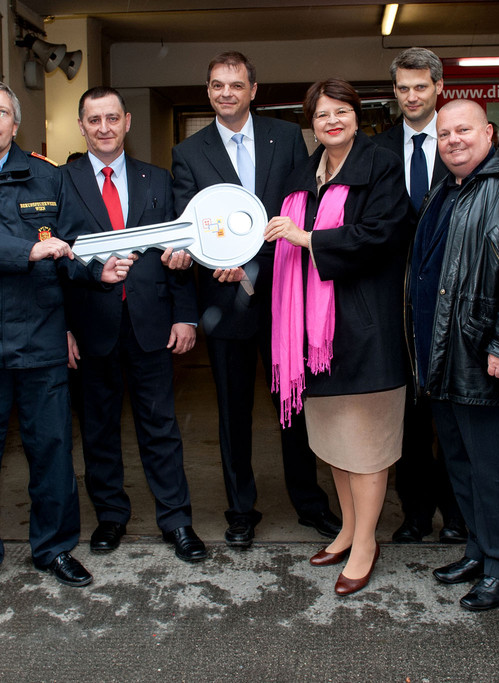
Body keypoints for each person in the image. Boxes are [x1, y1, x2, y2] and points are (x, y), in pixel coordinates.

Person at [0, 79, 134, 607]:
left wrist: (97, 272)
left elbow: (71, 245)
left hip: (39, 335)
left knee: (53, 450)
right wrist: (27, 252)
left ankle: (55, 549)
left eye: (2, 112)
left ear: (16, 124)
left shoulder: (46, 173)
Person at [170, 51, 340, 548]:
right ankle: (241, 509)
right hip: (225, 299)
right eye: (217, 85)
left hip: (284, 290)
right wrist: (212, 259)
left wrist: (258, 263)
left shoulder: (285, 137)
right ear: (208, 91)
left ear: (253, 90)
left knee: (294, 401)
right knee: (233, 409)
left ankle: (309, 501)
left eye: (236, 84)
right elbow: (189, 225)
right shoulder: (188, 152)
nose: (226, 93)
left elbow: (301, 205)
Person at [267, 78, 411, 596]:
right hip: (312, 333)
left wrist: (308, 238)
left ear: (357, 115)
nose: (332, 121)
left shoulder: (382, 166)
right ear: (311, 123)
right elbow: (277, 239)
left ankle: (367, 542)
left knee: (366, 446)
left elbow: (381, 236)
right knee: (334, 443)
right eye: (321, 113)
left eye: (341, 111)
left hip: (364, 328)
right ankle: (348, 529)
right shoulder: (302, 174)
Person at [408, 99, 499, 611]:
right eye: (444, 134)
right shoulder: (444, 190)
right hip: (440, 355)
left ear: (489, 133)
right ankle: (479, 551)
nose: (453, 141)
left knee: (494, 470)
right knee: (461, 465)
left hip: (483, 356)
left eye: (463, 130)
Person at [61, 86, 205, 562]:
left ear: (127, 122)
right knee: (98, 428)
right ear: (81, 126)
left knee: (160, 425)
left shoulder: (157, 179)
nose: (104, 128)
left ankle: (176, 520)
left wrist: (185, 315)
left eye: (112, 118)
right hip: (91, 324)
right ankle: (110, 516)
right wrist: (61, 327)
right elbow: (55, 259)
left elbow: (179, 249)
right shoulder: (60, 182)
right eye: (93, 120)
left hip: (152, 322)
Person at [372, 46, 466, 545]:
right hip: (394, 302)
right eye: (403, 88)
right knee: (407, 418)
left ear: (439, 87)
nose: (412, 96)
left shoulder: (459, 143)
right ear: (395, 92)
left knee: (450, 415)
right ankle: (414, 514)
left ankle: (456, 515)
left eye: (421, 87)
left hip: (451, 302)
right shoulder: (376, 150)